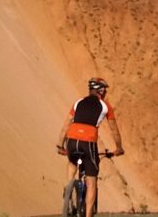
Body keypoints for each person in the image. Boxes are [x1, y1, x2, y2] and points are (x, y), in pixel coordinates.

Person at [56, 77, 124, 217]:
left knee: (72, 161)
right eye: (104, 90)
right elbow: (114, 130)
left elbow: (65, 127)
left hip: (72, 139)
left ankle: (68, 187)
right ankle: (87, 215)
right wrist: (119, 148)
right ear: (101, 91)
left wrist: (60, 145)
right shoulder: (105, 107)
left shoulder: (78, 103)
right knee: (91, 180)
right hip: (88, 142)